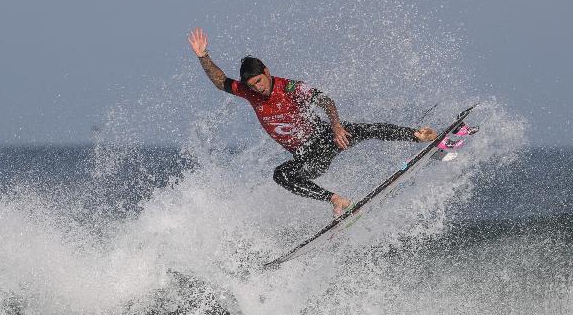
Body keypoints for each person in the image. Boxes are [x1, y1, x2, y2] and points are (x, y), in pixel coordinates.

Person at [187, 27, 441, 217]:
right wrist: (203, 56)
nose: (258, 89)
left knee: (363, 129)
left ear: (266, 71)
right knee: (281, 175)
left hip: (324, 137)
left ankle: (419, 135)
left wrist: (336, 125)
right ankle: (335, 199)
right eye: (252, 86)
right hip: (306, 156)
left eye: (259, 82)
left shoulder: (290, 87)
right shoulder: (249, 91)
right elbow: (221, 81)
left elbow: (325, 100)